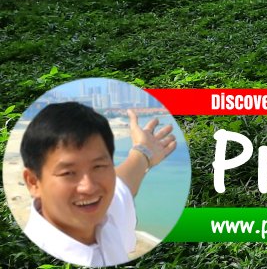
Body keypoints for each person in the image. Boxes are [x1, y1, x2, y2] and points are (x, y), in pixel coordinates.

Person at [19, 101, 178, 267]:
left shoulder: (105, 214)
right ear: (33, 182)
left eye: (99, 166)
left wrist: (143, 151)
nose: (89, 187)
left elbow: (123, 185)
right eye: (68, 173)